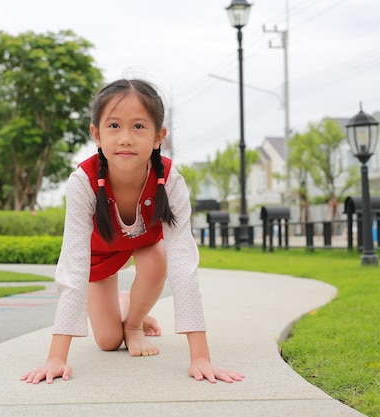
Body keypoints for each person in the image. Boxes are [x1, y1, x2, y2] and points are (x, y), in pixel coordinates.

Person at [20, 79, 244, 385]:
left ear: (158, 137)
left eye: (138, 126)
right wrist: (56, 358)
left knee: (159, 258)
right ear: (96, 134)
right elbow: (73, 265)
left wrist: (200, 358)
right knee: (109, 342)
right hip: (101, 255)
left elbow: (183, 263)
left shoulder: (171, 180)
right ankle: (125, 304)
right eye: (114, 125)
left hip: (147, 247)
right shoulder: (82, 182)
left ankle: (135, 323)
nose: (125, 138)